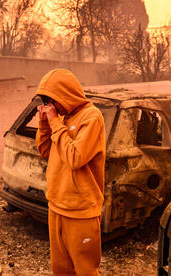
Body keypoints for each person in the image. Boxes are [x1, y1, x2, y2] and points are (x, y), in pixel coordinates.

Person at [36, 69, 106, 276]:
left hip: (81, 211)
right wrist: (44, 123)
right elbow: (45, 150)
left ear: (66, 95)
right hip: (57, 206)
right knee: (61, 269)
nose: (51, 106)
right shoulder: (64, 118)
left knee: (85, 269)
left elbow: (76, 157)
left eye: (52, 100)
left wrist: (56, 123)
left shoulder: (92, 117)